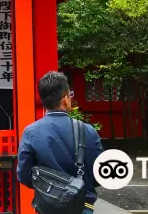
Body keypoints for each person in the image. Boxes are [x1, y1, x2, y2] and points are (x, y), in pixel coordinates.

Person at [17, 71, 103, 213]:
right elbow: (99, 175)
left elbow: (24, 176)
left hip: (47, 207)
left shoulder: (31, 132)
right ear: (65, 99)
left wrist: (49, 187)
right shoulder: (87, 131)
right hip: (82, 207)